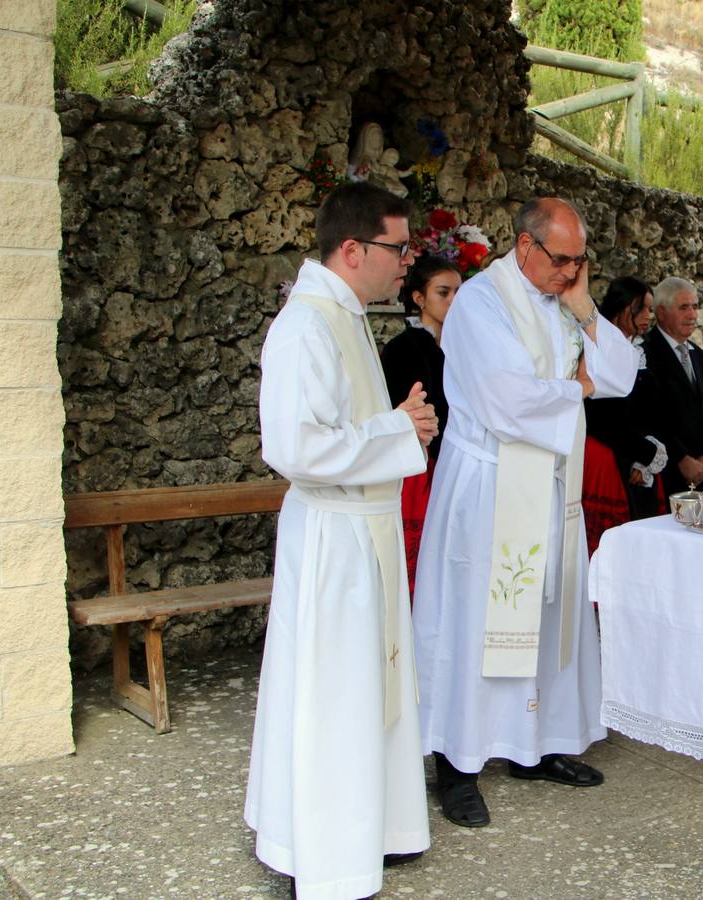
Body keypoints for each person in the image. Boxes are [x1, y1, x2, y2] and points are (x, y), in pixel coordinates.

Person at [413, 197, 638, 829]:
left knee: (545, 615)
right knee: (476, 620)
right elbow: (505, 398)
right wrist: (580, 388)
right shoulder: (482, 303)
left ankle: (534, 748)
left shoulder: (563, 301)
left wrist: (584, 307)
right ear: (525, 245)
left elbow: (622, 374)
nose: (570, 271)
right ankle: (456, 766)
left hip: (550, 486)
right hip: (490, 481)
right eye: (562, 260)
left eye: (579, 261)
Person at [247, 182, 440, 898]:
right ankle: (326, 850)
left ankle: (376, 828)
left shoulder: (348, 314)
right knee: (335, 694)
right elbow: (295, 446)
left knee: (372, 686)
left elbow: (343, 422)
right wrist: (397, 429)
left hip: (367, 532)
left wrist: (396, 420)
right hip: (334, 538)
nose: (407, 263)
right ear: (353, 249)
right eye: (398, 248)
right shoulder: (305, 326)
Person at [381, 255, 461, 596]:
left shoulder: (461, 346)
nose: (454, 301)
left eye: (459, 292)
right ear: (419, 298)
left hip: (455, 460)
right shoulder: (404, 348)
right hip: (420, 467)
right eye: (444, 292)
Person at [582, 277, 666, 551]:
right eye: (640, 308)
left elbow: (650, 409)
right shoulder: (599, 347)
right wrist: (641, 455)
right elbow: (601, 414)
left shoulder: (641, 350)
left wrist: (648, 454)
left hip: (641, 455)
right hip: (608, 456)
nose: (647, 316)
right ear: (620, 307)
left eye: (650, 309)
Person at [641, 276, 703, 494]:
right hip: (664, 475)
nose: (692, 315)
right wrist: (681, 458)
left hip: (701, 476)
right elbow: (650, 414)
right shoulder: (644, 353)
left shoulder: (701, 356)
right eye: (683, 307)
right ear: (661, 312)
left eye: (695, 307)